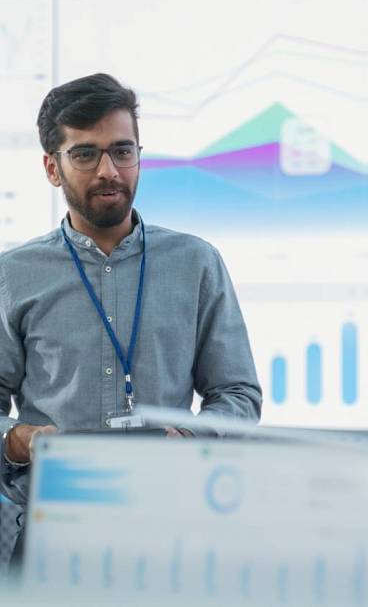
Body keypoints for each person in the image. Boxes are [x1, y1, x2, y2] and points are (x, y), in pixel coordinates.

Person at [0, 73, 262, 513]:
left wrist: (192, 437)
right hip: (55, 522)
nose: (109, 171)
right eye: (85, 154)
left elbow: (238, 394)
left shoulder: (195, 262)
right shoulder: (13, 275)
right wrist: (17, 439)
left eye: (122, 151)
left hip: (170, 519)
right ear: (52, 167)